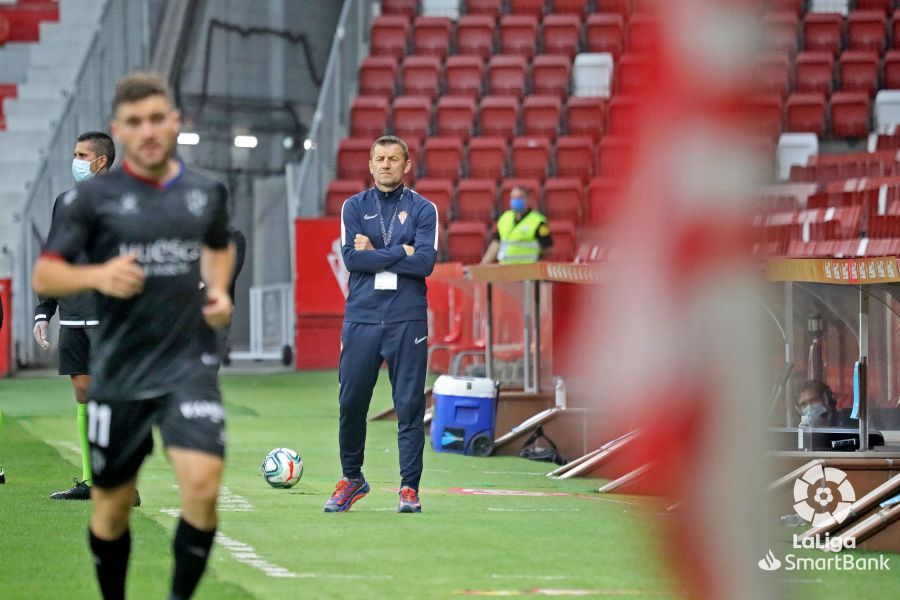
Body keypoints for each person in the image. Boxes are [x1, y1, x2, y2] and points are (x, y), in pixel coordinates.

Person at [32, 72, 234, 600]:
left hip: (185, 364)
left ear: (174, 123)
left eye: (157, 119)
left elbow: (220, 244)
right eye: (135, 121)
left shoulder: (204, 192)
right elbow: (47, 276)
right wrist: (97, 277)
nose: (147, 131)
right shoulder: (88, 201)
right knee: (112, 507)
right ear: (120, 130)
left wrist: (217, 291)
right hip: (119, 370)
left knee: (202, 487)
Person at [324, 135, 438, 514]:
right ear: (370, 165)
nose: (386, 164)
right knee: (351, 401)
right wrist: (397, 253)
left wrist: (375, 253)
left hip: (407, 318)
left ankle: (409, 488)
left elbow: (424, 264)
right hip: (363, 317)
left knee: (408, 405)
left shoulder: (424, 209)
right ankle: (352, 478)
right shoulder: (353, 207)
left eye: (393, 159)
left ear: (406, 166)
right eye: (379, 159)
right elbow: (353, 261)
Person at [34, 131, 117, 501]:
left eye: (82, 155)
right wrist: (43, 310)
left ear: (101, 162)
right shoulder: (64, 202)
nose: (77, 161)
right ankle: (89, 480)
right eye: (75, 154)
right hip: (72, 315)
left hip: (108, 316)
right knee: (83, 393)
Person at [480, 186, 552, 264]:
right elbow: (497, 242)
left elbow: (547, 249)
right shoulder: (505, 218)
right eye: (513, 198)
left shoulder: (538, 221)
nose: (515, 201)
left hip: (527, 270)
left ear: (528, 199)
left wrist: (533, 260)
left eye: (519, 197)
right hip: (505, 269)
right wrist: (483, 263)